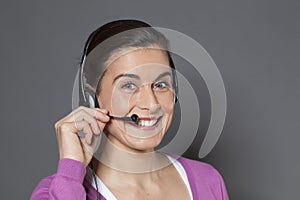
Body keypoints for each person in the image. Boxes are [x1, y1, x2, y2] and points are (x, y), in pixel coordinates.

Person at [31, 19, 229, 200]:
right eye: (128, 85)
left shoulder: (207, 180)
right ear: (92, 98)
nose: (151, 103)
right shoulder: (56, 191)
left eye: (160, 84)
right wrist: (70, 172)